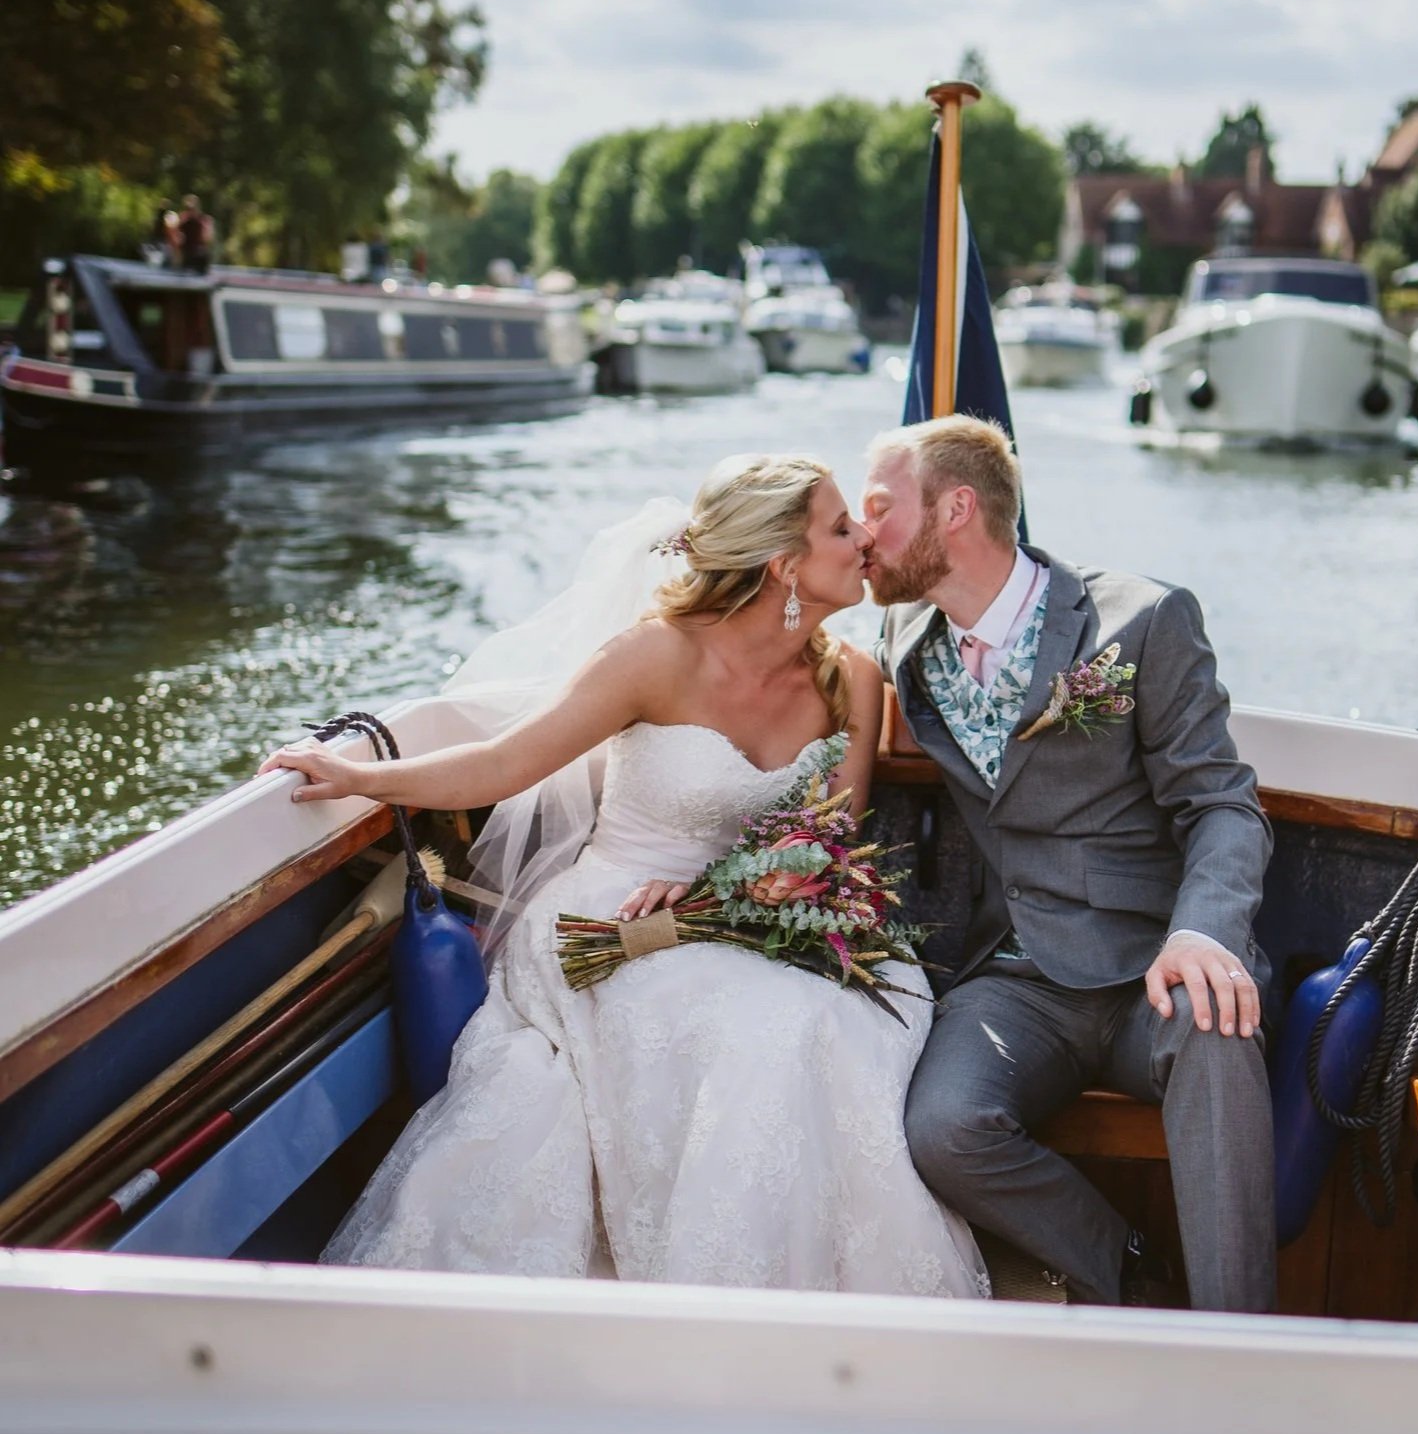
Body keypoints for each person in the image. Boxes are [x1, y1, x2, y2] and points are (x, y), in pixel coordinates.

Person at [260, 454, 987, 1297]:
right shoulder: (655, 656)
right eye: (839, 527)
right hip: (614, 921)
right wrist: (361, 778)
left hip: (757, 916)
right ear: (783, 566)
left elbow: (829, 843)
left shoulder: (852, 677)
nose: (864, 536)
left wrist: (741, 890)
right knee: (762, 1033)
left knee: (840, 1013)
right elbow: (504, 763)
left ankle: (806, 1298)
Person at [864, 416, 1275, 1311]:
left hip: (1150, 965)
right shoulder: (901, 635)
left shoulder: (1143, 618)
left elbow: (1219, 803)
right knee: (945, 1129)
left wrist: (1201, 933)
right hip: (1014, 975)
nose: (862, 531)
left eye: (878, 508)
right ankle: (1131, 1269)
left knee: (1218, 1024)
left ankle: (1242, 1343)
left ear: (956, 509)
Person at [177, 195, 215, 273]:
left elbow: (207, 238)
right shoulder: (183, 219)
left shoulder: (204, 220)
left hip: (199, 256)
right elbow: (177, 238)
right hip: (186, 255)